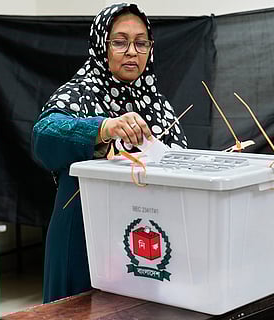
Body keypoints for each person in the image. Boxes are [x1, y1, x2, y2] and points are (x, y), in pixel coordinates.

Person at [32, 3, 188, 303]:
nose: (132, 51)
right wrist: (103, 128)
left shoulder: (157, 103)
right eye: (120, 41)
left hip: (146, 241)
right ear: (101, 45)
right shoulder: (79, 93)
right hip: (84, 241)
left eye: (141, 43)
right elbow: (44, 133)